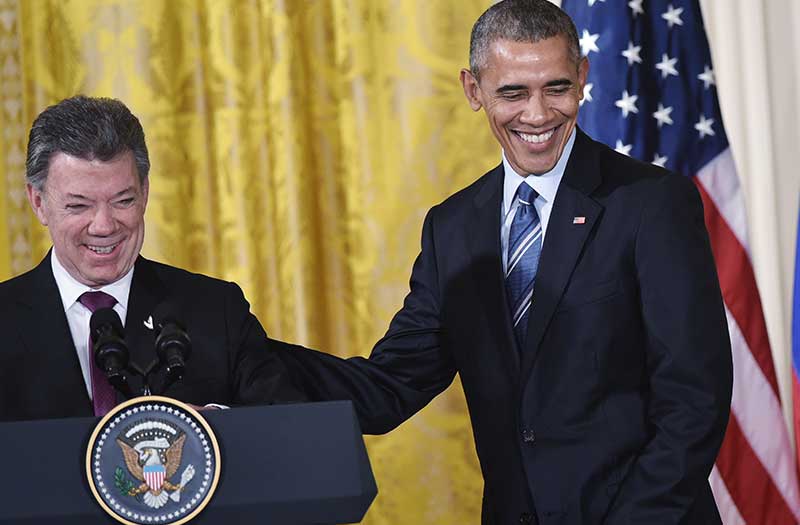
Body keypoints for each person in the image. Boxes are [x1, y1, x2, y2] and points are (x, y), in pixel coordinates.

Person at [279, 1, 733, 523]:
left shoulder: (652, 203)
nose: (537, 115)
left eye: (556, 87)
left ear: (583, 77)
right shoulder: (452, 228)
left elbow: (694, 401)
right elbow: (386, 390)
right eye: (512, 92)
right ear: (474, 91)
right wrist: (237, 347)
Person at [0, 95, 305, 422]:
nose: (104, 226)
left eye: (123, 200)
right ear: (38, 202)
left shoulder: (218, 311)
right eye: (79, 206)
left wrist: (210, 428)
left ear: (144, 192)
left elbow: (285, 426)